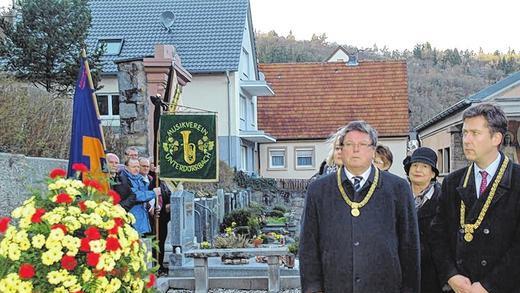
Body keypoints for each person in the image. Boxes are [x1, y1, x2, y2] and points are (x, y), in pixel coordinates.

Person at [299, 120, 420, 293]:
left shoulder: (398, 188)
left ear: (373, 150)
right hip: (335, 285)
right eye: (350, 144)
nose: (356, 149)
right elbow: (308, 246)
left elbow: (409, 247)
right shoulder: (318, 189)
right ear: (341, 149)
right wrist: (313, 289)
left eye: (363, 144)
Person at [430, 103, 520, 293]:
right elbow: (438, 234)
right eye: (464, 133)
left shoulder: (517, 180)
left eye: (475, 133)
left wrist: (489, 286)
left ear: (496, 138)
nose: (466, 140)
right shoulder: (452, 182)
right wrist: (451, 275)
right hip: (461, 287)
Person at [404, 147, 442, 293]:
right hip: (405, 270)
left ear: (433, 173)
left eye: (424, 166)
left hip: (434, 273)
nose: (418, 170)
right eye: (414, 165)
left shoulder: (443, 199)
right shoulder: (399, 195)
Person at [119, 158, 161, 235]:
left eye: (138, 167)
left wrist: (156, 176)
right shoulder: (123, 179)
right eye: (133, 167)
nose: (136, 169)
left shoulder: (139, 178)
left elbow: (147, 189)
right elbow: (136, 196)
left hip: (141, 218)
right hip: (131, 217)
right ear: (126, 167)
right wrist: (153, 193)